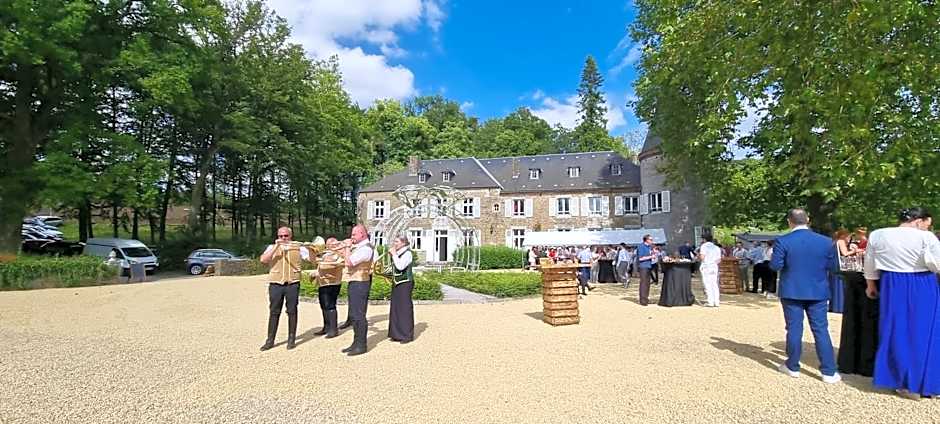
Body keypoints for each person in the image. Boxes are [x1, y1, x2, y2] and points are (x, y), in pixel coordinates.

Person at [864, 207, 940, 398]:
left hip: (892, 283)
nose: (927, 228)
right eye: (927, 224)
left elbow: (870, 263)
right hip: (923, 284)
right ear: (918, 221)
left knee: (896, 329)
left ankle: (903, 381)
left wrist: (871, 285)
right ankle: (927, 382)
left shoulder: (878, 235)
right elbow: (937, 263)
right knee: (924, 331)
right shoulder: (926, 237)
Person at [770, 209, 841, 384]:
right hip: (818, 290)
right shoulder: (826, 241)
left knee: (794, 328)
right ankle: (828, 371)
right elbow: (834, 267)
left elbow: (775, 265)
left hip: (792, 290)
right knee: (821, 329)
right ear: (808, 219)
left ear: (789, 221)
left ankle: (792, 366)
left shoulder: (783, 241)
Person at [259, 226, 312, 351]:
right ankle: (270, 340)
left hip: (292, 283)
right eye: (280, 236)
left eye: (286, 236)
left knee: (292, 311)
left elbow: (311, 260)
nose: (283, 238)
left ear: (290, 236)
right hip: (276, 283)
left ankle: (291, 339)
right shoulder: (271, 247)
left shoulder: (298, 248)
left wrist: (311, 249)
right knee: (274, 311)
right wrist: (276, 247)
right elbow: (263, 260)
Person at [339, 224, 374, 356]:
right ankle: (356, 342)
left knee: (359, 315)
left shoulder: (366, 249)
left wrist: (347, 247)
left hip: (360, 283)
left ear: (362, 234)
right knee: (353, 314)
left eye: (354, 234)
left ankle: (361, 345)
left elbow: (349, 263)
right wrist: (343, 249)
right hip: (354, 281)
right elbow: (346, 259)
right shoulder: (359, 247)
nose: (351, 236)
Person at [312, 237, 344, 339]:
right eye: (328, 244)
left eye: (332, 244)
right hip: (323, 283)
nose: (329, 246)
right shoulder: (325, 254)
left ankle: (333, 329)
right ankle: (326, 327)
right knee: (323, 305)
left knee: (330, 305)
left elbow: (328, 266)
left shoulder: (337, 255)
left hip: (332, 283)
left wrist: (321, 259)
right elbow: (315, 263)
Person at [388, 235, 415, 343]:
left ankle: (406, 335)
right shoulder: (398, 253)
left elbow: (400, 266)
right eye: (394, 241)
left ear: (403, 243)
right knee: (395, 308)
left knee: (404, 309)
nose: (395, 244)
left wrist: (394, 255)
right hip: (397, 282)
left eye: (397, 242)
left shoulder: (408, 253)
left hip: (405, 283)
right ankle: (396, 334)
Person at [699, 235, 723, 307]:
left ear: (704, 239)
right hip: (714, 266)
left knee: (708, 284)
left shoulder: (704, 246)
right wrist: (713, 263)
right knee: (714, 284)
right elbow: (719, 259)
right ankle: (717, 301)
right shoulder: (717, 247)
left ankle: (710, 301)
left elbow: (702, 257)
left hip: (706, 266)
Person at [636, 235, 655, 306]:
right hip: (643, 267)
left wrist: (653, 253)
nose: (652, 241)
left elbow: (650, 255)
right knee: (643, 284)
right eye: (651, 239)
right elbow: (640, 258)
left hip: (649, 266)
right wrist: (650, 256)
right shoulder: (641, 246)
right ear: (646, 240)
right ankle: (643, 300)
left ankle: (646, 298)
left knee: (647, 284)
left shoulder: (649, 247)